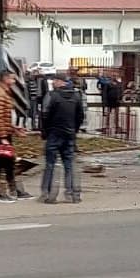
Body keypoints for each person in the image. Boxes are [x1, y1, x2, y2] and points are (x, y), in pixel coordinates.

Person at [0, 70, 32, 203]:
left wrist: (14, 129)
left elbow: (3, 117)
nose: (14, 81)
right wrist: (3, 137)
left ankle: (11, 189)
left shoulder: (3, 91)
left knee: (7, 162)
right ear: (5, 78)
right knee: (1, 162)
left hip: (3, 132)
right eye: (12, 79)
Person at [40, 74, 84, 203]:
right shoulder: (77, 96)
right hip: (69, 134)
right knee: (69, 164)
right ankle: (72, 195)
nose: (53, 82)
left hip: (54, 133)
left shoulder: (51, 95)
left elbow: (45, 115)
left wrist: (45, 132)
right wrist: (73, 130)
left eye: (55, 80)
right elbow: (80, 116)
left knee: (50, 164)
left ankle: (48, 194)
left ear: (61, 82)